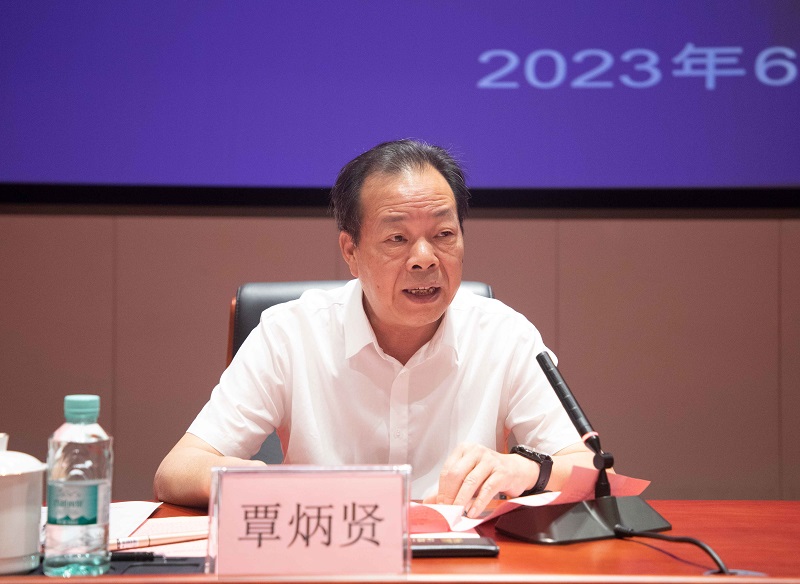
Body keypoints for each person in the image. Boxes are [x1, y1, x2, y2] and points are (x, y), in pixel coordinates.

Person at [154, 139, 594, 516]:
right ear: (351, 251)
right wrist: (265, 485)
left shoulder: (505, 335)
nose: (425, 258)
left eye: (443, 234)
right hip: (326, 560)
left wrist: (526, 470)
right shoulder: (290, 334)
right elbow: (177, 470)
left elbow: (593, 469)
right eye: (397, 239)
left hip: (461, 565)